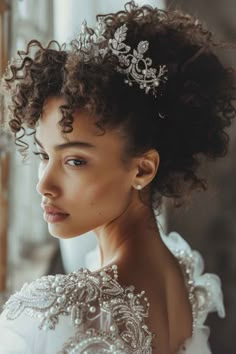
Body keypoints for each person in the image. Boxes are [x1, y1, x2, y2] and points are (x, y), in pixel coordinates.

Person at [0, 1, 235, 353]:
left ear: (142, 169)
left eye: (75, 161)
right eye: (44, 155)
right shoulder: (177, 274)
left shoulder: (57, 310)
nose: (43, 184)